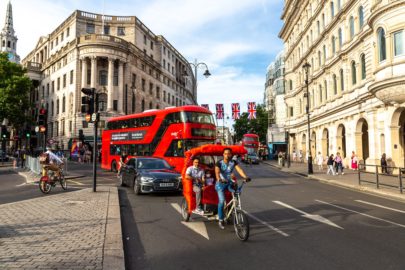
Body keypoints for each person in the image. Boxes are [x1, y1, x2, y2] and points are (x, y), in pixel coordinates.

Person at [215, 148, 250, 230]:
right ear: (223, 154)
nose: (227, 155)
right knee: (222, 201)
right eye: (225, 153)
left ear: (231, 154)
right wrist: (219, 179)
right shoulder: (219, 163)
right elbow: (217, 172)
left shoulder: (233, 162)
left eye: (229, 153)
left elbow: (239, 170)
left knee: (236, 195)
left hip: (230, 183)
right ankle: (220, 219)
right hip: (220, 184)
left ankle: (232, 211)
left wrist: (245, 177)